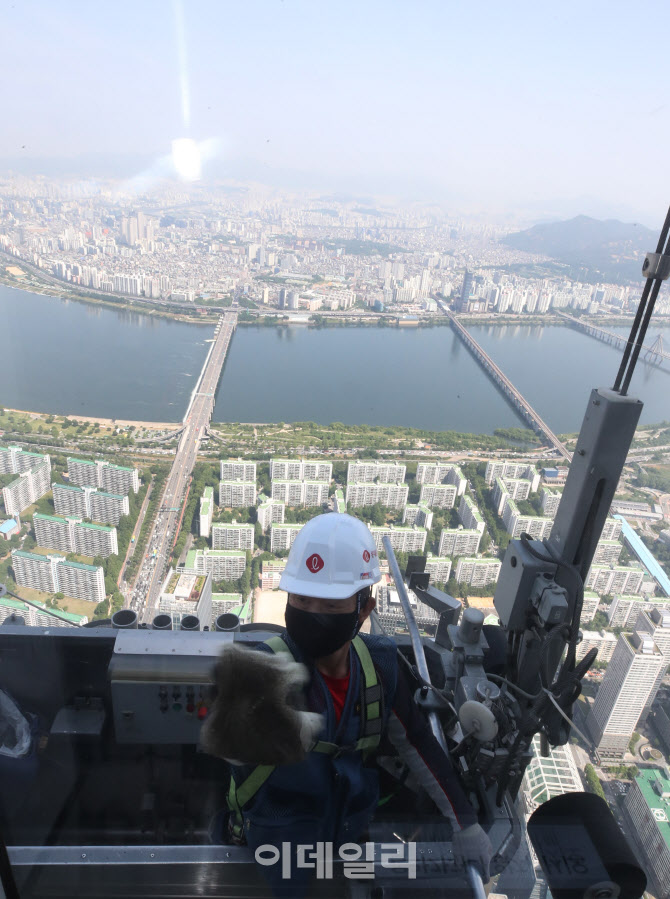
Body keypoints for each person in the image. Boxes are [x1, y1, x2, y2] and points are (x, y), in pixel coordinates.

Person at [203, 513, 493, 897]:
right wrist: (245, 728)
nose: (312, 615)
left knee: (350, 890)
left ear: (364, 609)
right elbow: (224, 743)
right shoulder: (263, 668)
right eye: (301, 600)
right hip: (280, 839)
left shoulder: (381, 666)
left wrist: (465, 822)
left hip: (349, 829)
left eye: (330, 605)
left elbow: (418, 742)